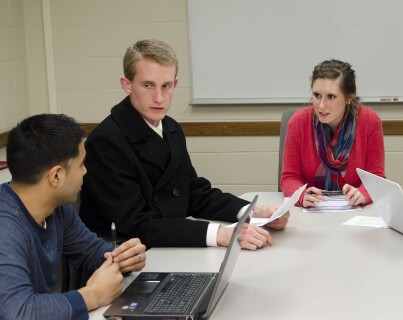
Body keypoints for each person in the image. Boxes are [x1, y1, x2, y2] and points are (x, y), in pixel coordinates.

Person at [79, 39, 289, 250]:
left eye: (166, 86)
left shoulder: (170, 128)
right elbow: (137, 224)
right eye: (147, 85)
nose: (159, 98)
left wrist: (252, 212)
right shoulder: (106, 141)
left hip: (165, 245)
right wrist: (219, 234)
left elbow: (193, 192)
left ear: (175, 84)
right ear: (127, 85)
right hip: (124, 258)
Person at [0, 114, 146, 319]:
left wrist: (123, 257)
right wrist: (91, 296)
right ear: (56, 176)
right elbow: (16, 312)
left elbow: (91, 251)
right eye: (81, 165)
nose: (86, 171)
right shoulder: (5, 228)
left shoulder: (56, 208)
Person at [280, 59, 385, 207]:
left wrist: (364, 193)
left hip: (355, 210)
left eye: (331, 97)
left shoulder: (370, 121)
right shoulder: (298, 122)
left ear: (349, 97)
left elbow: (377, 178)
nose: (321, 106)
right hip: (312, 211)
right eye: (317, 95)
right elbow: (289, 177)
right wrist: (301, 195)